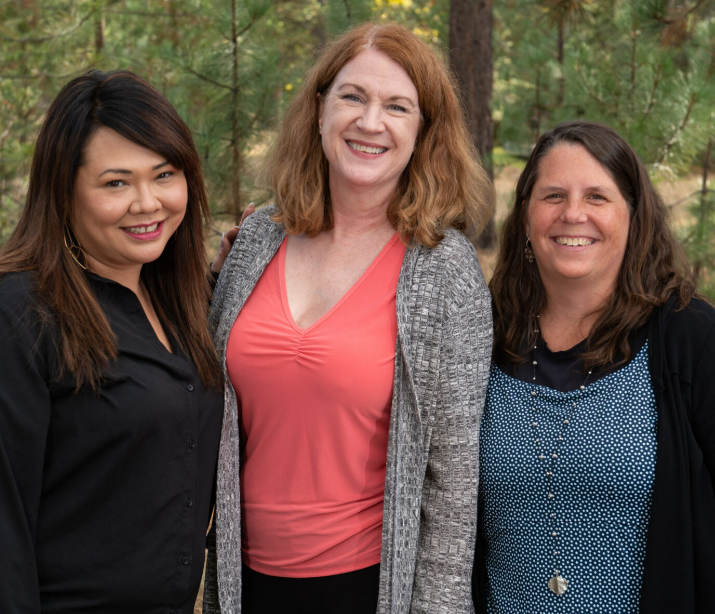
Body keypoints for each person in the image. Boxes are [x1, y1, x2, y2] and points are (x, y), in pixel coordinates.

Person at [205, 22, 494, 614]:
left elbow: (454, 484)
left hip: (365, 584)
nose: (370, 122)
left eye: (397, 106)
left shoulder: (444, 268)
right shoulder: (258, 239)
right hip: (244, 579)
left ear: (423, 131)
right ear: (319, 110)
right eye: (352, 97)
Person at [0, 70, 224, 614]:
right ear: (64, 189)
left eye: (164, 175)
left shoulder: (184, 299)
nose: (147, 203)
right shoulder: (21, 312)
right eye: (115, 183)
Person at [475, 121, 715, 613]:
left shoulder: (690, 338)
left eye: (598, 198)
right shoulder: (483, 335)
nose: (573, 214)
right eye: (553, 195)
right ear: (524, 216)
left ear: (634, 215)